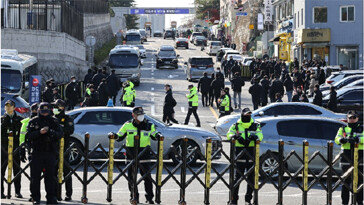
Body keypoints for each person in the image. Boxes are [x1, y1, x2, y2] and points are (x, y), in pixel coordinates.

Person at [114, 107, 162, 204]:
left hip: (144, 153)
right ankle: (134, 196)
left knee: (147, 177)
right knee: (131, 178)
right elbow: (119, 137)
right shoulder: (127, 125)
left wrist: (158, 135)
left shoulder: (149, 125)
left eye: (142, 114)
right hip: (131, 154)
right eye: (138, 114)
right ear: (133, 115)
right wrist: (114, 136)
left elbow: (154, 135)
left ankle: (149, 198)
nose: (141, 116)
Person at [25, 102, 63, 204]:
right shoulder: (34, 121)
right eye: (42, 111)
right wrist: (39, 132)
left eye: (46, 111)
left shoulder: (54, 121)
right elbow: (28, 136)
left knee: (50, 177)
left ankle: (51, 197)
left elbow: (60, 134)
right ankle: (35, 197)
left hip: (50, 152)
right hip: (37, 152)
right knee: (35, 177)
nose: (44, 113)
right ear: (39, 111)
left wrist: (50, 131)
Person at [226, 108, 263, 205]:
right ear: (242, 115)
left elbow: (260, 135)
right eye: (246, 115)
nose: (248, 116)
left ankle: (248, 200)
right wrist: (235, 137)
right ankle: (234, 200)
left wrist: (255, 137)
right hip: (239, 154)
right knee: (237, 179)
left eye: (249, 115)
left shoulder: (255, 125)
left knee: (251, 179)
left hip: (251, 154)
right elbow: (229, 134)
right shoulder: (236, 126)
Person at [335, 111, 363, 205]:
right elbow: (337, 139)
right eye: (350, 118)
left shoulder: (362, 128)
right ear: (347, 118)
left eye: (353, 117)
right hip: (346, 158)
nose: (352, 119)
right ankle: (345, 203)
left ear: (357, 118)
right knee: (345, 182)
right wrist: (341, 140)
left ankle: (359, 202)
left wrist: (358, 139)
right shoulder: (342, 128)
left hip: (359, 157)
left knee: (359, 182)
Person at [1, 100, 24, 199]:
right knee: (2, 170)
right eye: (6, 106)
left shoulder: (19, 119)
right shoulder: (2, 119)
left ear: (14, 107)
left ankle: (17, 191)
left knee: (17, 171)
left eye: (10, 106)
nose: (8, 108)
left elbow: (22, 134)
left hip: (15, 148)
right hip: (4, 148)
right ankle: (1, 192)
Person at [53, 100, 74, 201]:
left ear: (62, 108)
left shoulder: (67, 118)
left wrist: (59, 128)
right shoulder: (52, 118)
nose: (55, 108)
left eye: (57, 106)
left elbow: (70, 130)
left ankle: (68, 194)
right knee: (53, 172)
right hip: (53, 148)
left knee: (66, 171)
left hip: (64, 148)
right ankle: (55, 194)